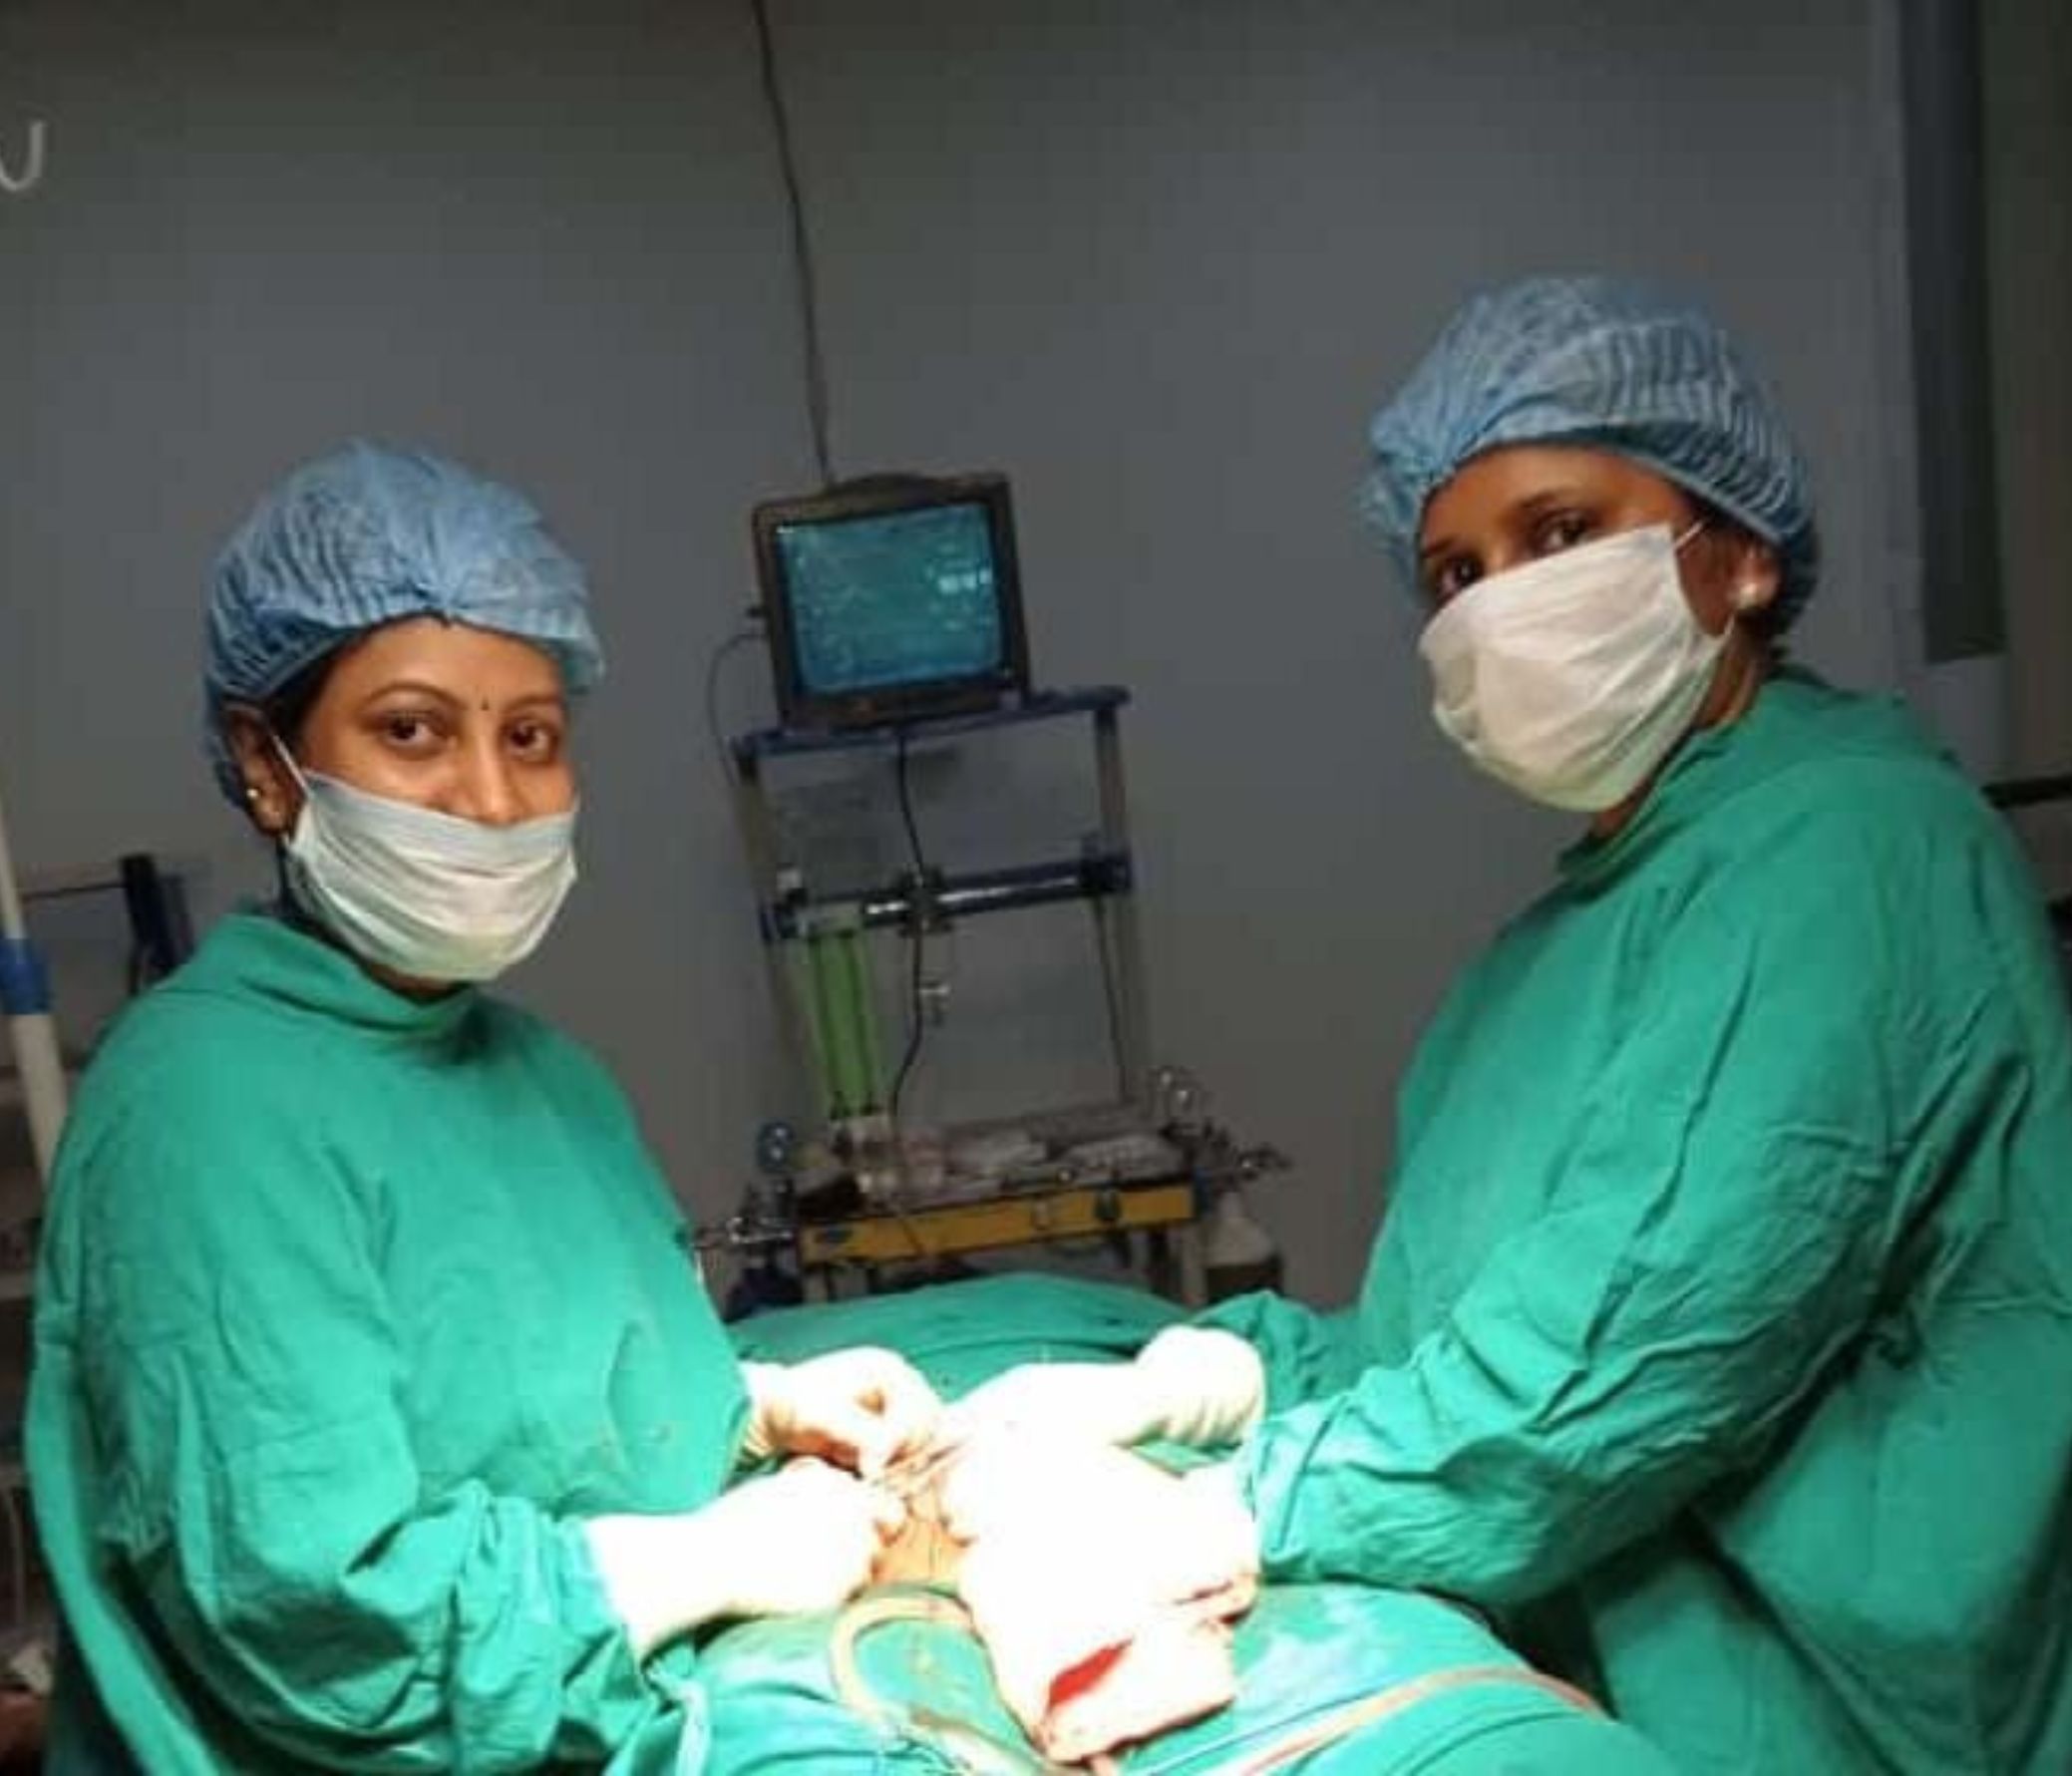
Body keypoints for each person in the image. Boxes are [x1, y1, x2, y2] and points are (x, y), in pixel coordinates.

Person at [947, 277, 2072, 1772]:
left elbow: (1616, 1372)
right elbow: (1454, 1335)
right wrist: (1201, 1386)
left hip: (1825, 1711)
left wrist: (1227, 1510)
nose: (1497, 605)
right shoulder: (1545, 956)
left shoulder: (1853, 853)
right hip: (1602, 1661)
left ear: (1737, 556)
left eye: (1557, 534)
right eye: (1453, 572)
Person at [26, 442, 940, 1775]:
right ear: (266, 761)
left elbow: (516, 1401)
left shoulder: (545, 1077)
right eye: (413, 730)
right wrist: (702, 1561)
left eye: (530, 737)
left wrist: (750, 1409)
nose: (494, 800)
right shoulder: (201, 1113)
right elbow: (315, 1613)